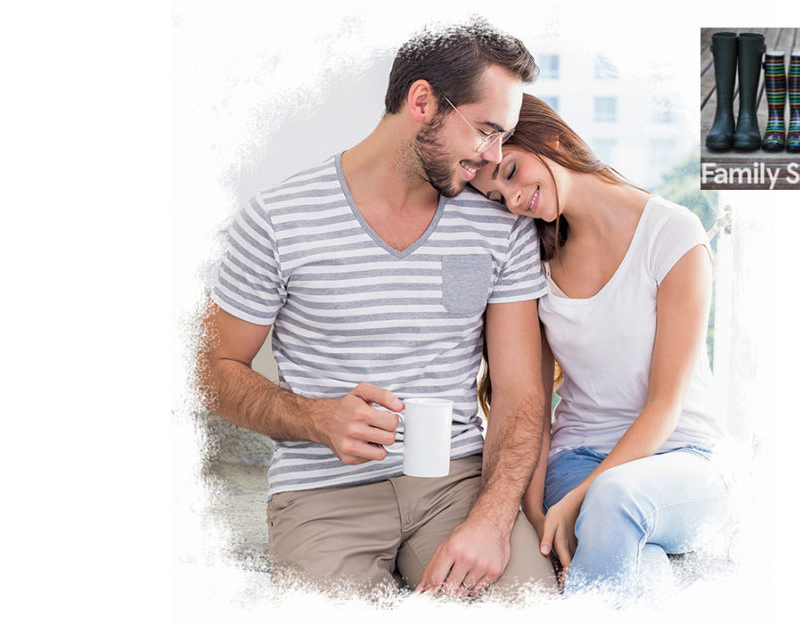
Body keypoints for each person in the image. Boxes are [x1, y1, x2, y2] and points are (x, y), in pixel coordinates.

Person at [196, 21, 558, 599]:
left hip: (456, 486)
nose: (493, 157)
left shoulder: (499, 224)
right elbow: (211, 371)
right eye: (486, 131)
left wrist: (491, 520)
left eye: (503, 137)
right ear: (423, 102)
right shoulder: (277, 218)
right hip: (321, 495)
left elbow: (519, 391)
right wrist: (317, 418)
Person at [470, 94, 730, 604]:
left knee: (616, 501)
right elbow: (532, 401)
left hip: (683, 454)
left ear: (552, 139)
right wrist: (536, 508)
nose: (513, 197)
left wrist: (580, 503)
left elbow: (664, 406)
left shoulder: (674, 234)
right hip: (577, 457)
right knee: (644, 569)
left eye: (511, 171)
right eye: (497, 196)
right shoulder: (536, 258)